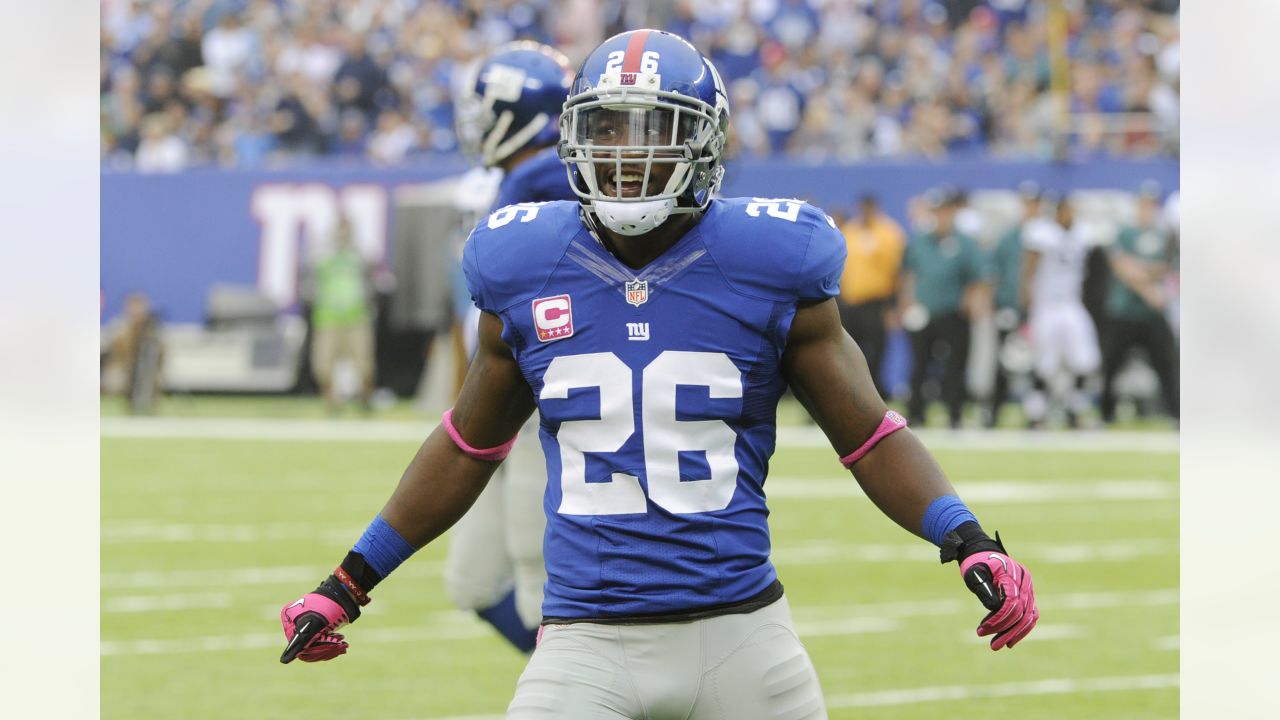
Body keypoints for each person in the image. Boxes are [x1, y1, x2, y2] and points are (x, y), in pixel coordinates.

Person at [278, 31, 1038, 719]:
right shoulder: (521, 260)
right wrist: (346, 583)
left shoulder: (770, 259)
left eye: (654, 129)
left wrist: (966, 537)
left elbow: (867, 435)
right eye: (606, 128)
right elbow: (465, 445)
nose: (626, 153)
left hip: (743, 637)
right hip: (582, 644)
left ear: (704, 141)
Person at [443, 41, 578, 654]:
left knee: (537, 586)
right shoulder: (512, 179)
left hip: (542, 405)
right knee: (472, 580)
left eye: (487, 107)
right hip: (497, 401)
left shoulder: (548, 175)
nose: (476, 122)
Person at [898, 187, 989, 428]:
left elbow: (979, 276)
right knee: (918, 365)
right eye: (936, 211)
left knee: (955, 366)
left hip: (953, 313)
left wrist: (970, 300)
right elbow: (908, 274)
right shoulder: (920, 242)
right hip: (923, 312)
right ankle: (916, 413)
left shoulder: (964, 242)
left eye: (944, 211)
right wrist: (906, 302)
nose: (940, 217)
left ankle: (954, 413)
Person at [1099, 182, 1179, 423]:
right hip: (1124, 310)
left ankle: (1176, 413)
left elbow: (1165, 266)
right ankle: (1105, 412)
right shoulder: (1125, 232)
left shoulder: (1163, 234)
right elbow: (1122, 266)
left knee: (1166, 364)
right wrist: (1148, 287)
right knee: (1110, 364)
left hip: (1151, 314)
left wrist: (1141, 270)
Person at [1020, 194, 1102, 429]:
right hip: (1046, 305)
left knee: (1084, 358)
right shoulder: (1041, 232)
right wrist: (1026, 293)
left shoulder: (1083, 233)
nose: (1068, 214)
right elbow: (1030, 264)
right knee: (1044, 361)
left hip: (1071, 303)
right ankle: (1036, 412)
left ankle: (1077, 409)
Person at [303, 216, 376, 414]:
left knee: (364, 363)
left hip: (357, 316)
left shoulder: (360, 255)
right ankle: (331, 402)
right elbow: (308, 280)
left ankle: (365, 399)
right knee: (324, 364)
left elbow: (371, 281)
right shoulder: (322, 255)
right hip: (328, 317)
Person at [837, 194, 906, 399]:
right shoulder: (850, 231)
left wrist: (893, 305)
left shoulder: (888, 232)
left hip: (877, 302)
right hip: (849, 303)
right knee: (847, 353)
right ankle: (847, 394)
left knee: (876, 353)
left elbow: (897, 271)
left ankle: (874, 395)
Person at [984, 181, 1038, 427]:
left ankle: (1035, 414)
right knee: (1003, 364)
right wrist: (995, 304)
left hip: (1038, 312)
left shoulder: (1047, 236)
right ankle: (995, 412)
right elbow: (994, 274)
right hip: (1009, 308)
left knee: (1038, 366)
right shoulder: (1009, 239)